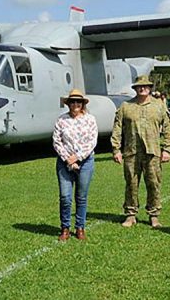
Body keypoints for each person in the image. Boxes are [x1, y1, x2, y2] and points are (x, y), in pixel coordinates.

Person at [111, 75, 170, 229]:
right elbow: (117, 129)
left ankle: (154, 215)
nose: (142, 88)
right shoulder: (126, 106)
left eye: (145, 86)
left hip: (152, 153)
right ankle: (131, 215)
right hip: (131, 153)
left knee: (153, 184)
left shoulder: (159, 106)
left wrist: (167, 149)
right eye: (139, 86)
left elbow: (168, 128)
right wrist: (116, 149)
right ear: (135, 88)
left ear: (150, 88)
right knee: (131, 184)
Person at [52, 89, 98, 241]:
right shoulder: (61, 120)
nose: (75, 104)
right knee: (65, 197)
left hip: (85, 162)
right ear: (68, 104)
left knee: (81, 196)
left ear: (83, 104)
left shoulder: (90, 119)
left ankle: (80, 227)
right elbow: (57, 141)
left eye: (78, 102)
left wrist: (77, 158)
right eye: (73, 102)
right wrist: (68, 159)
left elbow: (92, 141)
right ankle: (65, 227)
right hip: (64, 163)